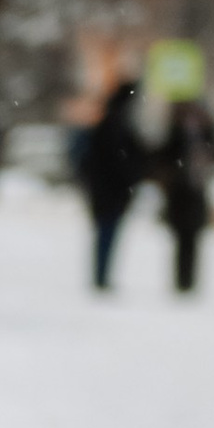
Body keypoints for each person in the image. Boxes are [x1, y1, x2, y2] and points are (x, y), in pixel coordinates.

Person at [74, 76, 148, 291]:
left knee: (106, 235)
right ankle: (101, 277)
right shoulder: (116, 125)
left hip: (108, 192)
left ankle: (101, 276)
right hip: (110, 192)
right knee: (107, 235)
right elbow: (118, 160)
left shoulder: (110, 122)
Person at [158, 97, 214, 294]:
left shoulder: (206, 134)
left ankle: (189, 281)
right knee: (181, 239)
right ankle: (181, 280)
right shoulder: (175, 133)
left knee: (193, 240)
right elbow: (164, 157)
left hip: (195, 192)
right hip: (180, 193)